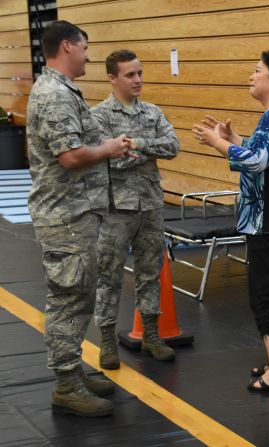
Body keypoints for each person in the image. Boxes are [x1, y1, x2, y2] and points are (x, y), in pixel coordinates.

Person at [26, 20, 136, 417]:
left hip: (76, 214)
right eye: (86, 47)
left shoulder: (62, 90)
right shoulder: (54, 94)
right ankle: (66, 384)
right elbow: (70, 157)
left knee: (79, 295)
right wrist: (107, 148)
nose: (89, 54)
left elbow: (78, 147)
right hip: (65, 217)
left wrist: (108, 148)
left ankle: (72, 371)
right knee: (68, 299)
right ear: (68, 46)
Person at [192, 50, 269, 393]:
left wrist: (218, 145)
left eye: (257, 71)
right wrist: (233, 141)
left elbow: (257, 161)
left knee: (266, 294)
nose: (251, 76)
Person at [91, 50, 180, 369]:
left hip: (150, 204)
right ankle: (106, 341)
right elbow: (105, 154)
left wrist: (138, 145)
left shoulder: (153, 112)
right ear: (112, 78)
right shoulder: (99, 116)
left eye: (140, 73)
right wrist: (125, 150)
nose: (138, 79)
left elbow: (172, 146)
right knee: (109, 274)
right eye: (130, 74)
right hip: (116, 208)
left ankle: (152, 335)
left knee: (150, 271)